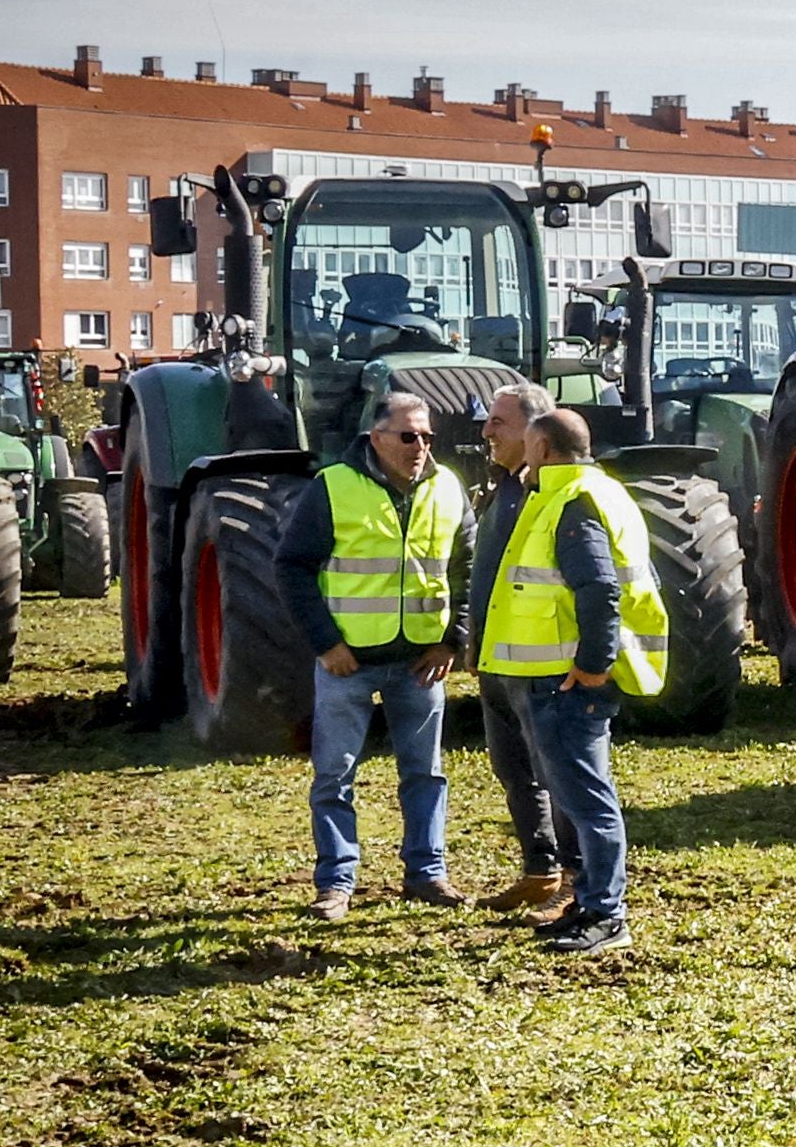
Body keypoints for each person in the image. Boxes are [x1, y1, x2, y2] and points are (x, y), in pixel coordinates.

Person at [477, 407, 670, 955]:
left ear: (541, 450)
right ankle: (589, 905)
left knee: (587, 802)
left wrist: (591, 664)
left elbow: (598, 588)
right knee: (580, 797)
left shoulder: (571, 501)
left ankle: (606, 916)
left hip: (564, 681)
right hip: (549, 677)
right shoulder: (588, 492)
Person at [276, 388, 471, 920]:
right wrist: (326, 644)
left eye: (428, 436)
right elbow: (292, 567)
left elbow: (468, 569)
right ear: (377, 436)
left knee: (424, 773)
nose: (421, 446)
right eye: (409, 436)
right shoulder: (332, 488)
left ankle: (427, 873)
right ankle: (336, 884)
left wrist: (453, 639)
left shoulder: (449, 488)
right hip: (349, 663)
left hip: (421, 664)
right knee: (334, 775)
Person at [464, 382, 569, 919]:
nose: (485, 431)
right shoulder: (502, 488)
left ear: (533, 432)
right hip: (498, 659)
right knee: (514, 769)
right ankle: (541, 868)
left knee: (559, 772)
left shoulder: (551, 493)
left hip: (542, 660)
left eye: (497, 423)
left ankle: (577, 878)